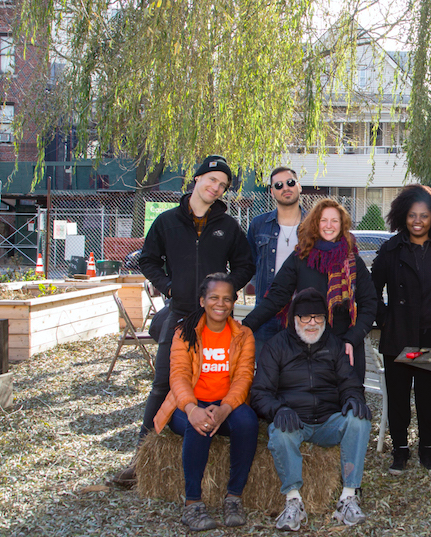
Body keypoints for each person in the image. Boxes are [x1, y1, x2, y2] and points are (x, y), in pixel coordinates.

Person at [116, 155, 255, 486]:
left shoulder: (228, 227)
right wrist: (167, 286)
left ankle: (223, 439)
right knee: (163, 385)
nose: (216, 188)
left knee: (222, 382)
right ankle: (141, 461)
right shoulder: (166, 222)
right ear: (197, 179)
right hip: (179, 315)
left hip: (218, 319)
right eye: (212, 180)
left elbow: (246, 265)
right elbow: (148, 260)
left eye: (222, 185)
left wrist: (221, 293)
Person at [251, 288, 372, 530]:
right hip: (294, 419)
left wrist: (352, 398)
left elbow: (350, 383)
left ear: (325, 320)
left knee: (360, 419)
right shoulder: (276, 346)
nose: (312, 323)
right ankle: (293, 501)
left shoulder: (334, 345)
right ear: (294, 319)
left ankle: (348, 497)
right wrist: (278, 410)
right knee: (279, 433)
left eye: (318, 318)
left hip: (329, 420)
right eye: (306, 318)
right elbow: (259, 393)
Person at [152, 273, 259, 531]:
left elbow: (244, 378)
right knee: (198, 425)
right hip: (186, 404)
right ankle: (193, 503)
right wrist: (192, 409)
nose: (220, 304)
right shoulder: (184, 333)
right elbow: (177, 377)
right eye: (213, 297)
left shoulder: (244, 335)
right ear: (202, 301)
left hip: (225, 404)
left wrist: (224, 409)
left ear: (233, 302)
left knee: (248, 422)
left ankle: (233, 497)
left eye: (226, 298)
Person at [242, 198, 377, 385]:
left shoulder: (353, 261)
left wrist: (352, 339)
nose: (329, 226)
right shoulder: (301, 257)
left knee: (348, 403)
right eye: (323, 220)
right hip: (308, 343)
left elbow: (369, 303)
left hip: (344, 344)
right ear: (315, 223)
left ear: (342, 225)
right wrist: (245, 327)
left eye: (334, 221)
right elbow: (276, 297)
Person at [372, 185, 431, 475]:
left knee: (428, 395)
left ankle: (427, 452)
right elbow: (372, 291)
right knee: (398, 396)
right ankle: (400, 452)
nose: (417, 221)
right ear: (402, 217)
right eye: (411, 215)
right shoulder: (391, 249)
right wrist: (385, 319)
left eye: (424, 215)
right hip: (399, 337)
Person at [246, 167, 306, 356]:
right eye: (278, 185)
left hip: (304, 312)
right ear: (272, 192)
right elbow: (250, 264)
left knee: (301, 375)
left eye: (290, 183)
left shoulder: (314, 224)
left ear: (299, 186)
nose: (285, 188)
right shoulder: (259, 224)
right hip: (266, 313)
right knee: (265, 373)